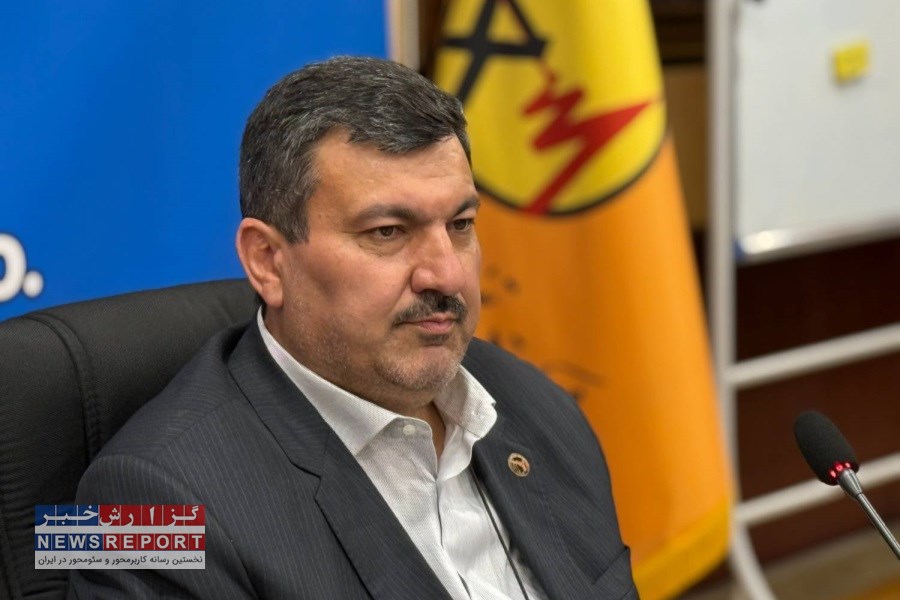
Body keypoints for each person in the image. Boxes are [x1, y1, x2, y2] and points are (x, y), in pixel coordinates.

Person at [69, 56, 637, 599]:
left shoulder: (533, 405)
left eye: (461, 224)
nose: (446, 273)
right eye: (388, 232)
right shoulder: (135, 506)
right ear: (268, 261)